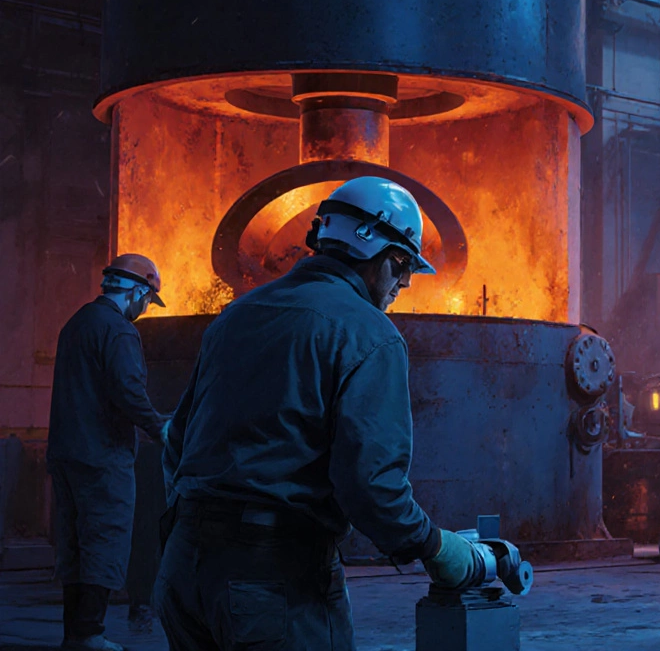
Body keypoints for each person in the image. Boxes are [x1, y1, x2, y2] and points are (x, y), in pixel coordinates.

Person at [155, 177, 485, 650]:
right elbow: (371, 487)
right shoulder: (369, 334)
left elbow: (177, 440)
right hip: (274, 579)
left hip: (182, 573)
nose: (406, 282)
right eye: (403, 265)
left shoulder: (236, 316)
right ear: (380, 256)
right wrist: (434, 546)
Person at [47, 254, 169, 651]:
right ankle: (89, 634)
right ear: (137, 290)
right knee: (105, 541)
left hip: (66, 452)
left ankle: (74, 633)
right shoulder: (117, 330)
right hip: (103, 455)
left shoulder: (77, 322)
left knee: (75, 545)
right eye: (147, 300)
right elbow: (128, 391)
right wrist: (160, 427)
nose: (145, 309)